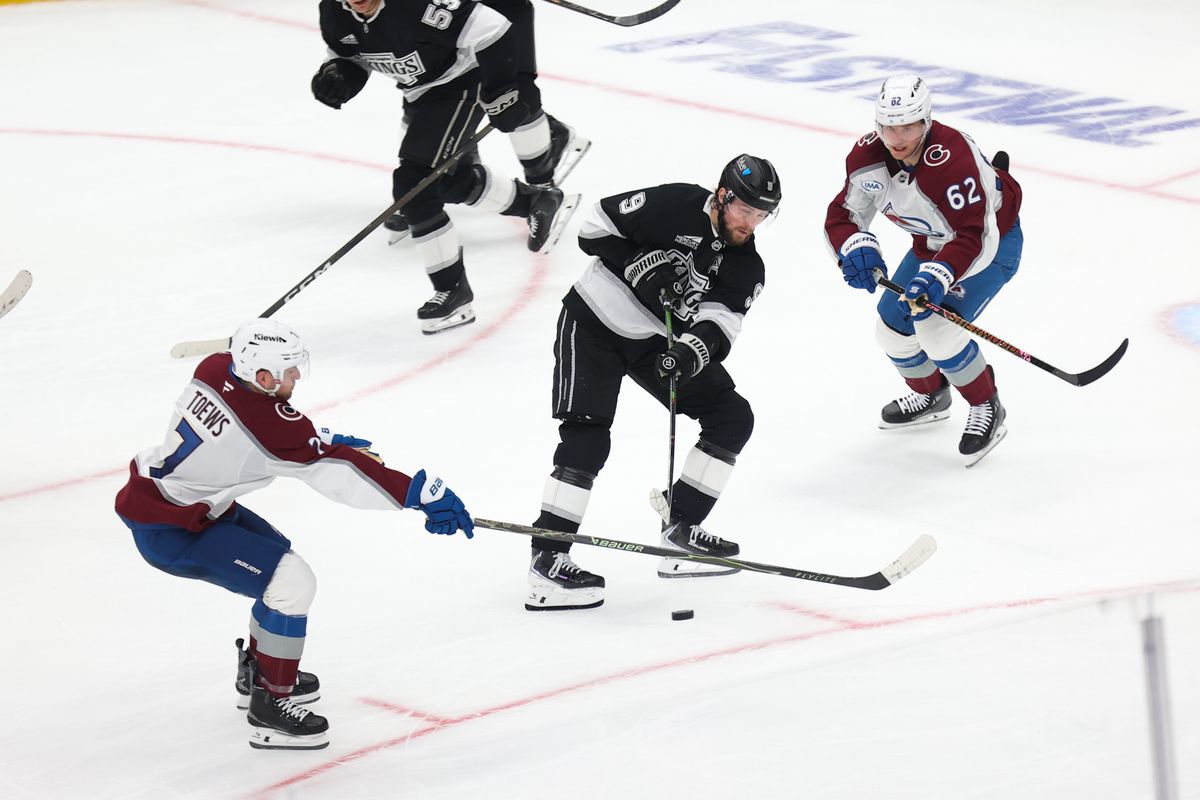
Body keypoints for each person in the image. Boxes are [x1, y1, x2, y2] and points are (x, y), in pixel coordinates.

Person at [114, 319, 474, 750]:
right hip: (176, 529)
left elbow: (256, 429)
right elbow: (337, 471)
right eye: (288, 369)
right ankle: (270, 707)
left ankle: (260, 674)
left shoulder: (214, 368)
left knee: (277, 562)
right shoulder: (271, 426)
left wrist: (313, 437)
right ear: (262, 377)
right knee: (291, 583)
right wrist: (419, 493)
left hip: (176, 502)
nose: (297, 376)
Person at [524, 155, 782, 610]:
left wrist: (687, 354)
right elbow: (593, 229)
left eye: (762, 214)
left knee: (731, 417)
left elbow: (719, 328)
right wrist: (639, 264)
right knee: (587, 438)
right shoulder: (676, 204)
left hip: (653, 341)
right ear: (722, 196)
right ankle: (548, 559)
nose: (751, 223)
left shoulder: (747, 266)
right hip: (594, 323)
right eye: (745, 209)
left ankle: (680, 528)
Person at [313, 0, 590, 335]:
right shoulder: (334, 11)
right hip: (421, 91)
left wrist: (501, 89)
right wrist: (338, 75)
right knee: (441, 182)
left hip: (460, 83)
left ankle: (453, 291)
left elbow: (493, 29)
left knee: (415, 188)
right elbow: (350, 51)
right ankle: (533, 199)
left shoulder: (417, 7)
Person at [824, 74, 1023, 467]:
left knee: (937, 331)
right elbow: (843, 214)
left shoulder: (952, 160)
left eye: (908, 127)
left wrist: (939, 275)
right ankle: (933, 394)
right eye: (888, 127)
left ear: (926, 121)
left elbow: (975, 235)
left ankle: (987, 404)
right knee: (891, 328)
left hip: (991, 243)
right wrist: (855, 246)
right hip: (932, 244)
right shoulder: (867, 159)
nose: (896, 138)